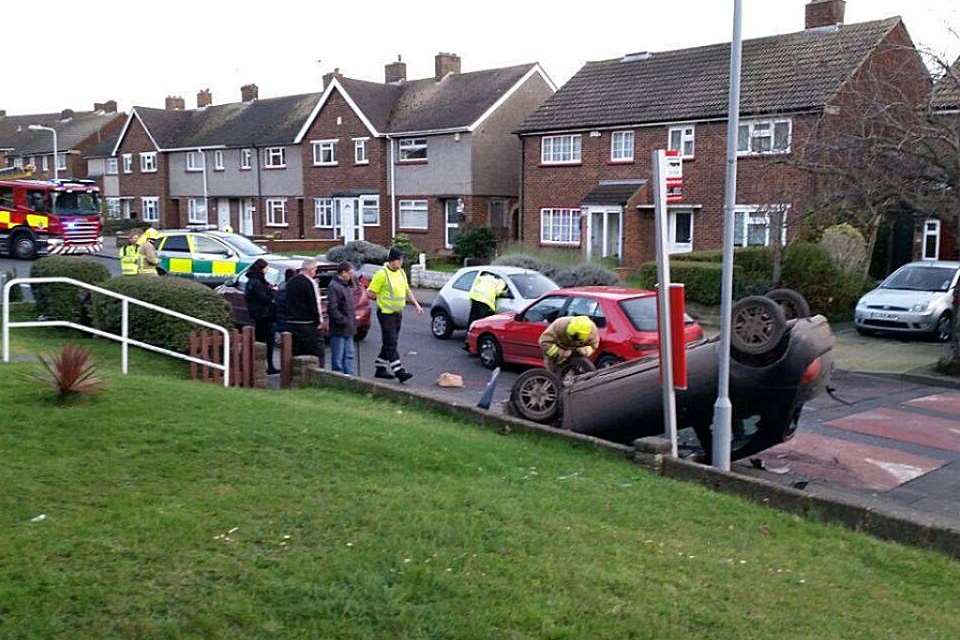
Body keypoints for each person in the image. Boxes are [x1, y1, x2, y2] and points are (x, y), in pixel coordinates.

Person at [366, 247, 422, 382]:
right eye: (400, 260)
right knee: (391, 342)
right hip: (385, 314)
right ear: (393, 260)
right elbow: (370, 293)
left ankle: (379, 367)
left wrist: (416, 304)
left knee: (391, 342)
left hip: (397, 313)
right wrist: (380, 299)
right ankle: (399, 372)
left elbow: (407, 290)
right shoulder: (382, 274)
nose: (402, 262)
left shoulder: (401, 272)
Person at [285, 259, 325, 367]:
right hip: (307, 323)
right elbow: (314, 303)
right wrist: (319, 320)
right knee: (312, 353)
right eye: (315, 270)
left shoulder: (291, 282)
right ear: (311, 269)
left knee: (295, 352)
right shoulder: (309, 283)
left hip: (292, 322)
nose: (315, 272)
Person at [244, 258, 279, 375]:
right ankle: (268, 366)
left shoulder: (253, 281)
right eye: (266, 267)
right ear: (261, 268)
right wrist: (272, 293)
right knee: (267, 342)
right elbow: (264, 298)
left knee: (261, 341)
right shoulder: (257, 282)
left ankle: (263, 366)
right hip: (264, 316)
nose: (267, 270)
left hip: (260, 315)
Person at [327, 261, 357, 375]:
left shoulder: (346, 285)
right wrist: (343, 320)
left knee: (349, 355)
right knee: (338, 357)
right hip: (340, 328)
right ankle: (338, 378)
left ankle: (350, 377)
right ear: (343, 272)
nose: (351, 275)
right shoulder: (334, 286)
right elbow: (333, 308)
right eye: (350, 273)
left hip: (349, 327)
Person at [465, 272, 507, 346]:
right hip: (485, 301)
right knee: (481, 323)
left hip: (475, 297)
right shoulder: (501, 281)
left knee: (472, 320)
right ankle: (476, 343)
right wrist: (505, 291)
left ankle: (468, 339)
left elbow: (474, 286)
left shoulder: (483, 277)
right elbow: (498, 292)